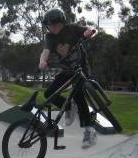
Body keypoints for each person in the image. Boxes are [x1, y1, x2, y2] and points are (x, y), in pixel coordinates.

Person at [38, 9, 97, 148]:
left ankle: (89, 131)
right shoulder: (50, 38)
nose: (53, 28)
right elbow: (45, 52)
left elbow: (90, 29)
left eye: (55, 25)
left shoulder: (72, 29)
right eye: (50, 26)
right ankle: (70, 107)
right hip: (66, 71)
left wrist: (89, 32)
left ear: (62, 23)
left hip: (81, 69)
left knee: (78, 94)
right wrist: (42, 62)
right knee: (49, 94)